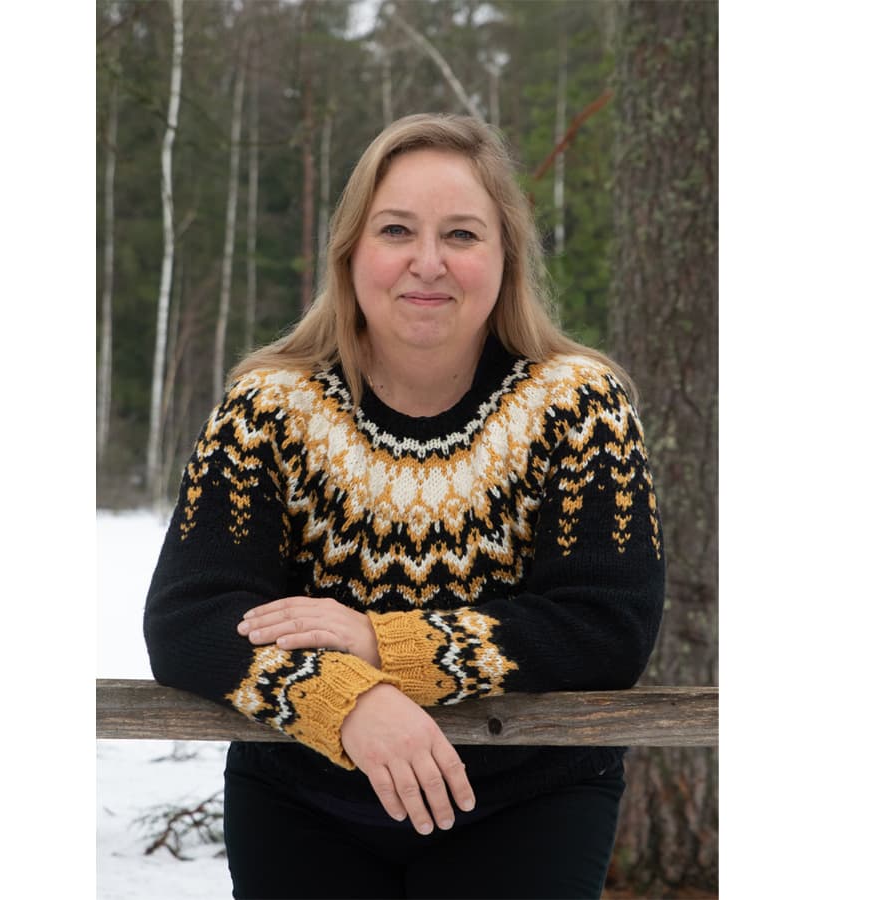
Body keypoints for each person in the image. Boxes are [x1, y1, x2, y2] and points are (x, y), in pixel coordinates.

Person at [144, 112, 665, 899]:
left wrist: (386, 644)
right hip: (304, 801)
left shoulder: (579, 404)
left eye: (461, 234)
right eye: (397, 231)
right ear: (352, 251)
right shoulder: (269, 408)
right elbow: (190, 616)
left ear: (506, 257)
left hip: (530, 801)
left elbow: (607, 626)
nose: (429, 263)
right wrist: (344, 700)